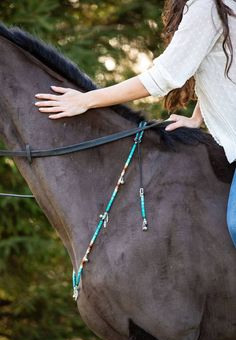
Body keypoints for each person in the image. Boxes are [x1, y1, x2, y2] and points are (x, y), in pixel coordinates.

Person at [34, 0, 236, 247]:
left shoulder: (207, 6)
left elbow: (162, 77)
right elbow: (221, 70)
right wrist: (197, 117)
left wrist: (87, 100)